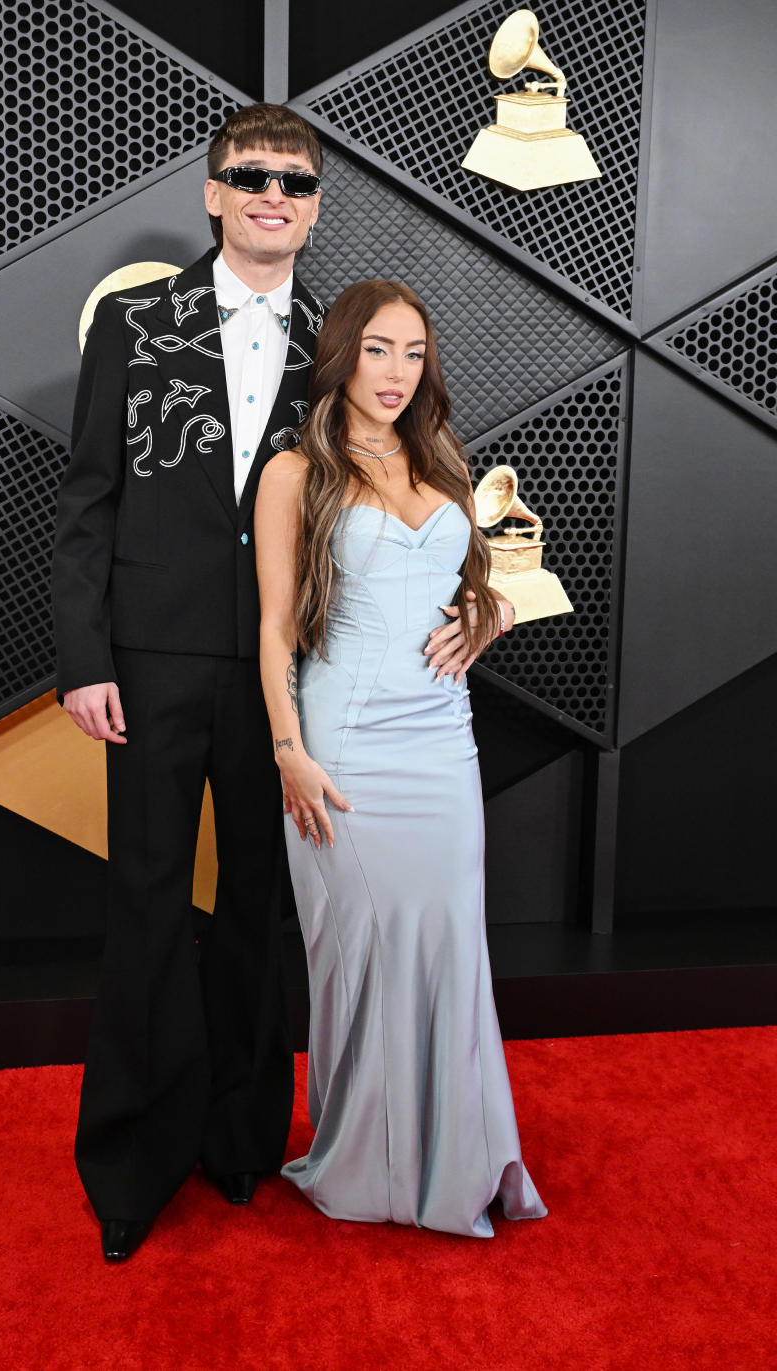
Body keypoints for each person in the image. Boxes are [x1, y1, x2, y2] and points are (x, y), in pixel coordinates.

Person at [51, 103, 327, 1262]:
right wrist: (84, 661)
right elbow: (88, 499)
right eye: (251, 175)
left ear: (313, 207)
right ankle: (130, 1169)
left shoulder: (341, 336)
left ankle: (241, 1147)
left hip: (284, 677)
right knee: (150, 913)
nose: (274, 194)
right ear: (212, 193)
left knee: (262, 916)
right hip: (151, 666)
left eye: (296, 182)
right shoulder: (132, 320)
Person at [254, 280, 548, 1236]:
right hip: (344, 743)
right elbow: (272, 631)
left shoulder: (443, 459)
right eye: (378, 350)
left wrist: (485, 614)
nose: (396, 372)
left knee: (451, 940)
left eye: (414, 352)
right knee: (364, 948)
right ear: (341, 354)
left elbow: (473, 588)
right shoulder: (297, 473)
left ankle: (452, 1152)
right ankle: (369, 1164)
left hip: (442, 745)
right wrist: (288, 751)